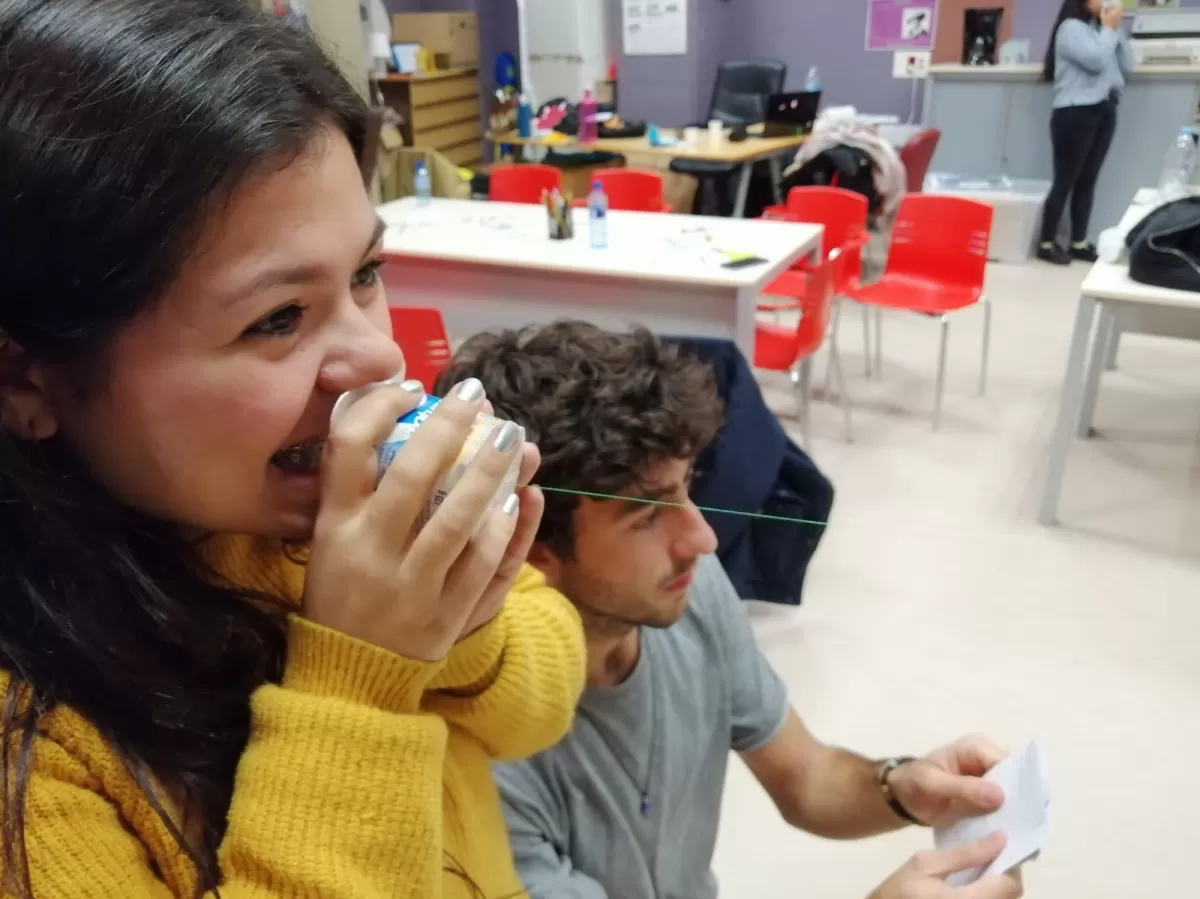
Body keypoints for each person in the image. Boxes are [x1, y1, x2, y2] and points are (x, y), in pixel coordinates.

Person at [0, 1, 585, 897]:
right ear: (27, 381)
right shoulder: (34, 766)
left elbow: (543, 696)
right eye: (277, 318)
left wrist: (454, 619)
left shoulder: (305, 506)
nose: (380, 357)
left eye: (366, 274)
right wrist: (361, 682)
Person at [434, 322, 1023, 899]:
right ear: (530, 547)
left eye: (687, 486)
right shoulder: (471, 754)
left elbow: (805, 777)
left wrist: (902, 786)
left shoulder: (687, 588)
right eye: (647, 513)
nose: (703, 539)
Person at [1037, 0, 1132, 265]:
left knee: (1088, 180)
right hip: (1075, 111)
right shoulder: (1070, 28)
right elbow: (1096, 61)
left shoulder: (1101, 31)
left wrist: (1117, 29)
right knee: (1065, 180)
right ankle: (1046, 243)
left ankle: (1078, 242)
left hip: (1105, 108)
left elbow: (1128, 65)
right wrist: (1109, 30)